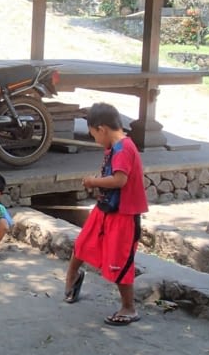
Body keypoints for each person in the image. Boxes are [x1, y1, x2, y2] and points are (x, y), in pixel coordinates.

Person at [62, 102, 148, 326]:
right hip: (106, 207)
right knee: (83, 242)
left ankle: (129, 308)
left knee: (119, 260)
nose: (95, 140)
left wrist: (94, 181)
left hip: (124, 213)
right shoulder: (115, 146)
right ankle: (73, 276)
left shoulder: (123, 149)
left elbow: (120, 180)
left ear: (102, 129)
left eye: (94, 135)